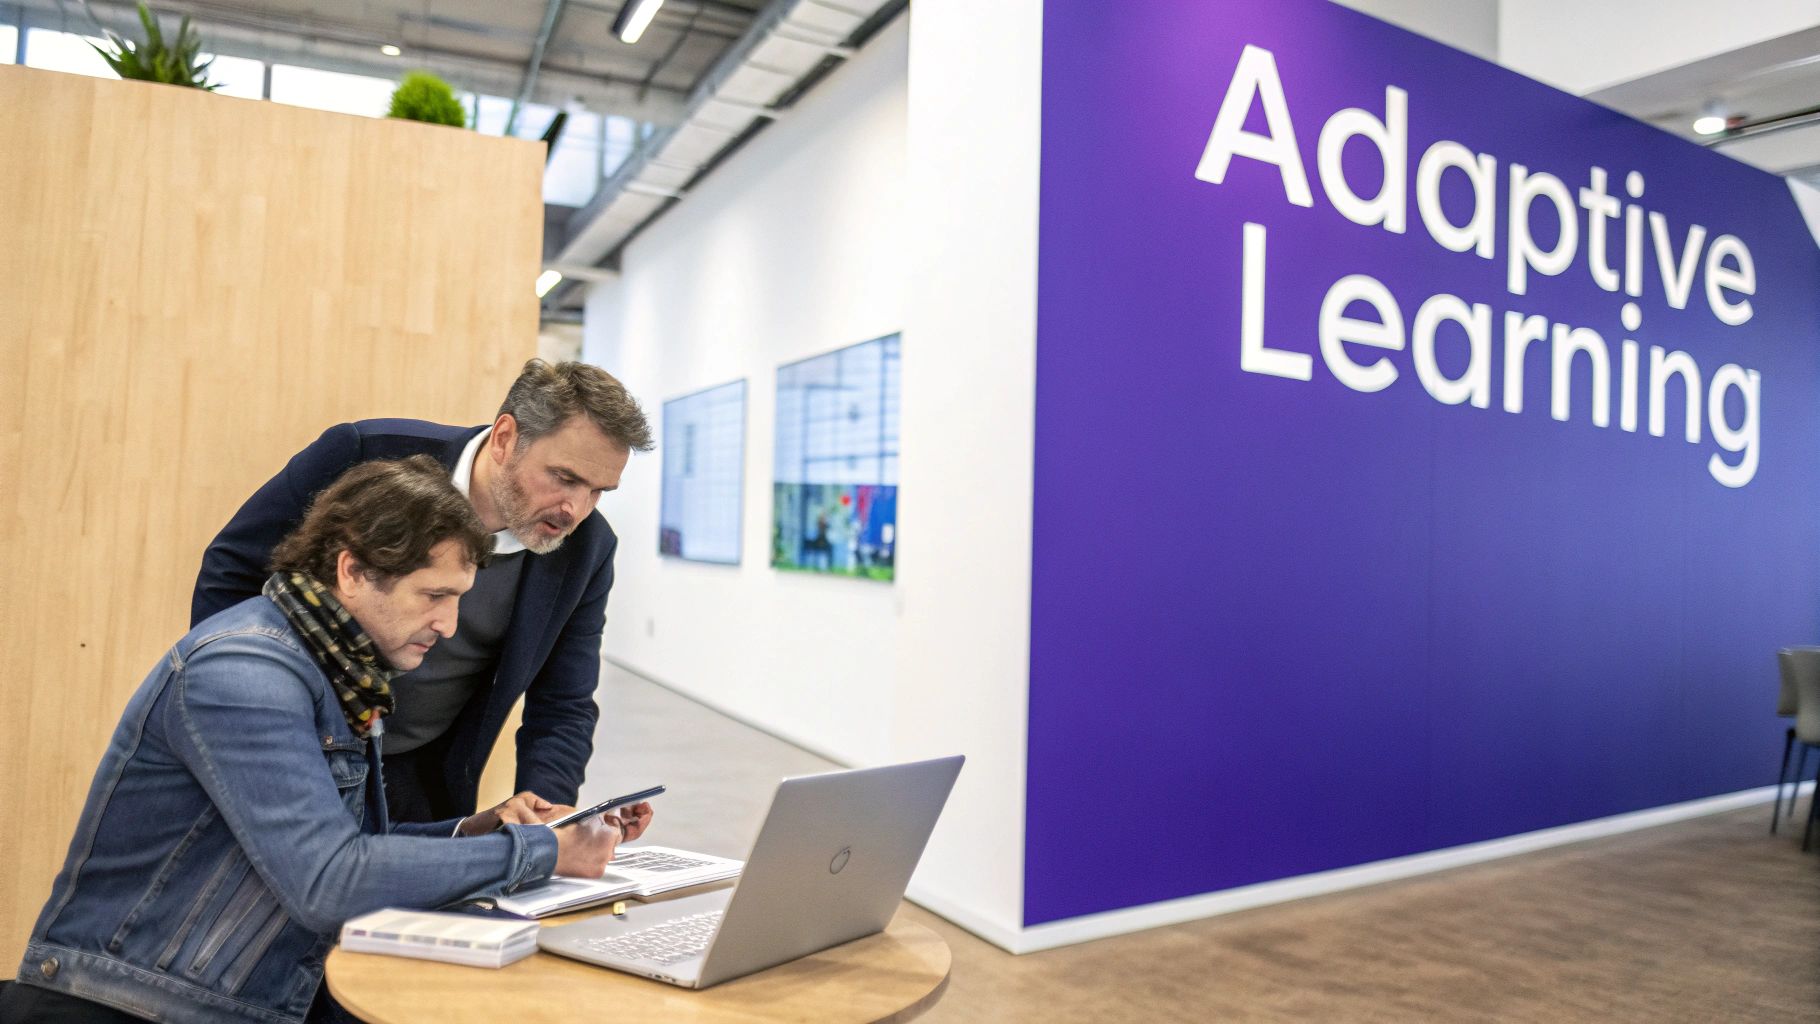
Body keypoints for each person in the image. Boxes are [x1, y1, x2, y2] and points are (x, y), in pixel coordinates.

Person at [3, 457, 654, 1024]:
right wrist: (538, 851)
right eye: (433, 595)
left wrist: (480, 830)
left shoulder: (340, 671)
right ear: (352, 571)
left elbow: (354, 851)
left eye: (457, 598)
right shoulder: (244, 674)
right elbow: (329, 880)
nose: (450, 625)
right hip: (132, 1007)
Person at [191, 359, 655, 824]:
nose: (575, 508)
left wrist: (549, 819)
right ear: (504, 438)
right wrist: (237, 715)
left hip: (419, 774)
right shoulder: (365, 454)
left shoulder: (587, 548)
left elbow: (563, 702)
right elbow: (232, 568)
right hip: (291, 746)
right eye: (565, 478)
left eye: (599, 491)